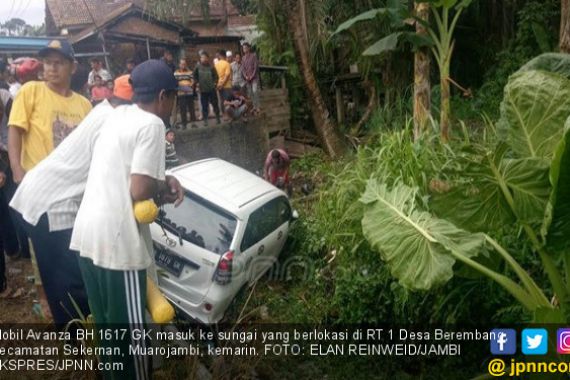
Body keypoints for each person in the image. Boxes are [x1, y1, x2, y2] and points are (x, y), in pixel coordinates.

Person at [70, 60, 183, 379]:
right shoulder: (153, 125)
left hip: (87, 239)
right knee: (131, 344)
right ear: (164, 96)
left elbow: (125, 179)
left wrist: (161, 185)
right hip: (117, 249)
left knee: (109, 338)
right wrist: (167, 186)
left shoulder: (118, 116)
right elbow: (139, 187)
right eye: (173, 97)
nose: (173, 104)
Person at [10, 74, 133, 329]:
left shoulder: (101, 110)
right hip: (49, 204)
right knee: (69, 280)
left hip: (46, 196)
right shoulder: (114, 123)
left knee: (63, 275)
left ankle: (77, 339)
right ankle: (80, 344)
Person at [8, 39, 92, 320]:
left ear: (73, 66)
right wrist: (18, 173)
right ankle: (69, 327)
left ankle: (82, 320)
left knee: (76, 258)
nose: (51, 68)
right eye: (47, 62)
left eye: (58, 62)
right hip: (43, 193)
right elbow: (15, 132)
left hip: (75, 194)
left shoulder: (84, 105)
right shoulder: (31, 92)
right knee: (54, 264)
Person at [193, 51, 220, 126]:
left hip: (211, 90)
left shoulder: (211, 67)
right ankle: (205, 120)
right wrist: (197, 83)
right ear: (200, 59)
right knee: (204, 106)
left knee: (215, 104)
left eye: (205, 57)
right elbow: (194, 76)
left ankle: (218, 118)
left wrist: (215, 83)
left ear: (208, 58)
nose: (204, 59)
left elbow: (216, 76)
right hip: (203, 90)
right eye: (202, 57)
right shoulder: (197, 67)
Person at [174, 58, 196, 127]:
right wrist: (183, 86)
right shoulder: (176, 73)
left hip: (189, 93)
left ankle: (193, 123)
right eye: (182, 64)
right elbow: (175, 83)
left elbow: (192, 81)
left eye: (184, 64)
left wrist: (190, 85)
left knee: (191, 108)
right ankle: (184, 124)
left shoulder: (190, 72)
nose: (183, 65)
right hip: (181, 93)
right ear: (179, 65)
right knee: (182, 109)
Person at [241, 42, 261, 114]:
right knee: (250, 93)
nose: (244, 49)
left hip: (254, 78)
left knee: (255, 91)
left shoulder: (254, 56)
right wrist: (246, 76)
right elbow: (243, 69)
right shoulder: (243, 58)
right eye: (243, 48)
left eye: (246, 47)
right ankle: (254, 107)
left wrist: (252, 76)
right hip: (247, 79)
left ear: (249, 48)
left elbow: (256, 67)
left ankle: (258, 107)